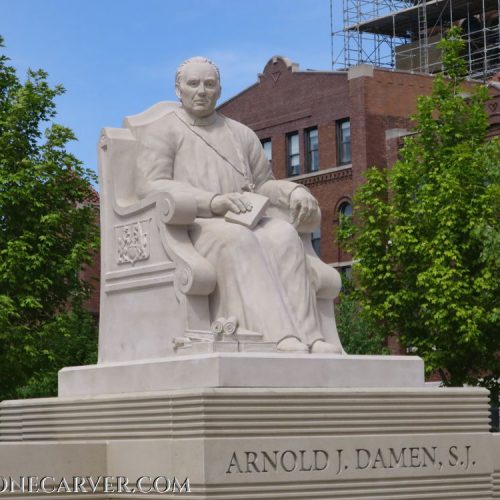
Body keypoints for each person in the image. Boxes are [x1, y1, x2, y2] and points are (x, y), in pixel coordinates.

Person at [136, 56, 341, 354]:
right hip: (195, 226)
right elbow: (151, 185)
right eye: (193, 84)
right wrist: (213, 202)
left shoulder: (240, 133)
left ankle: (310, 337)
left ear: (219, 89)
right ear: (178, 89)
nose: (202, 91)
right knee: (238, 240)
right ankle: (278, 335)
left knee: (283, 235)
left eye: (209, 84)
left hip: (248, 218)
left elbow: (263, 184)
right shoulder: (164, 130)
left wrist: (293, 192)